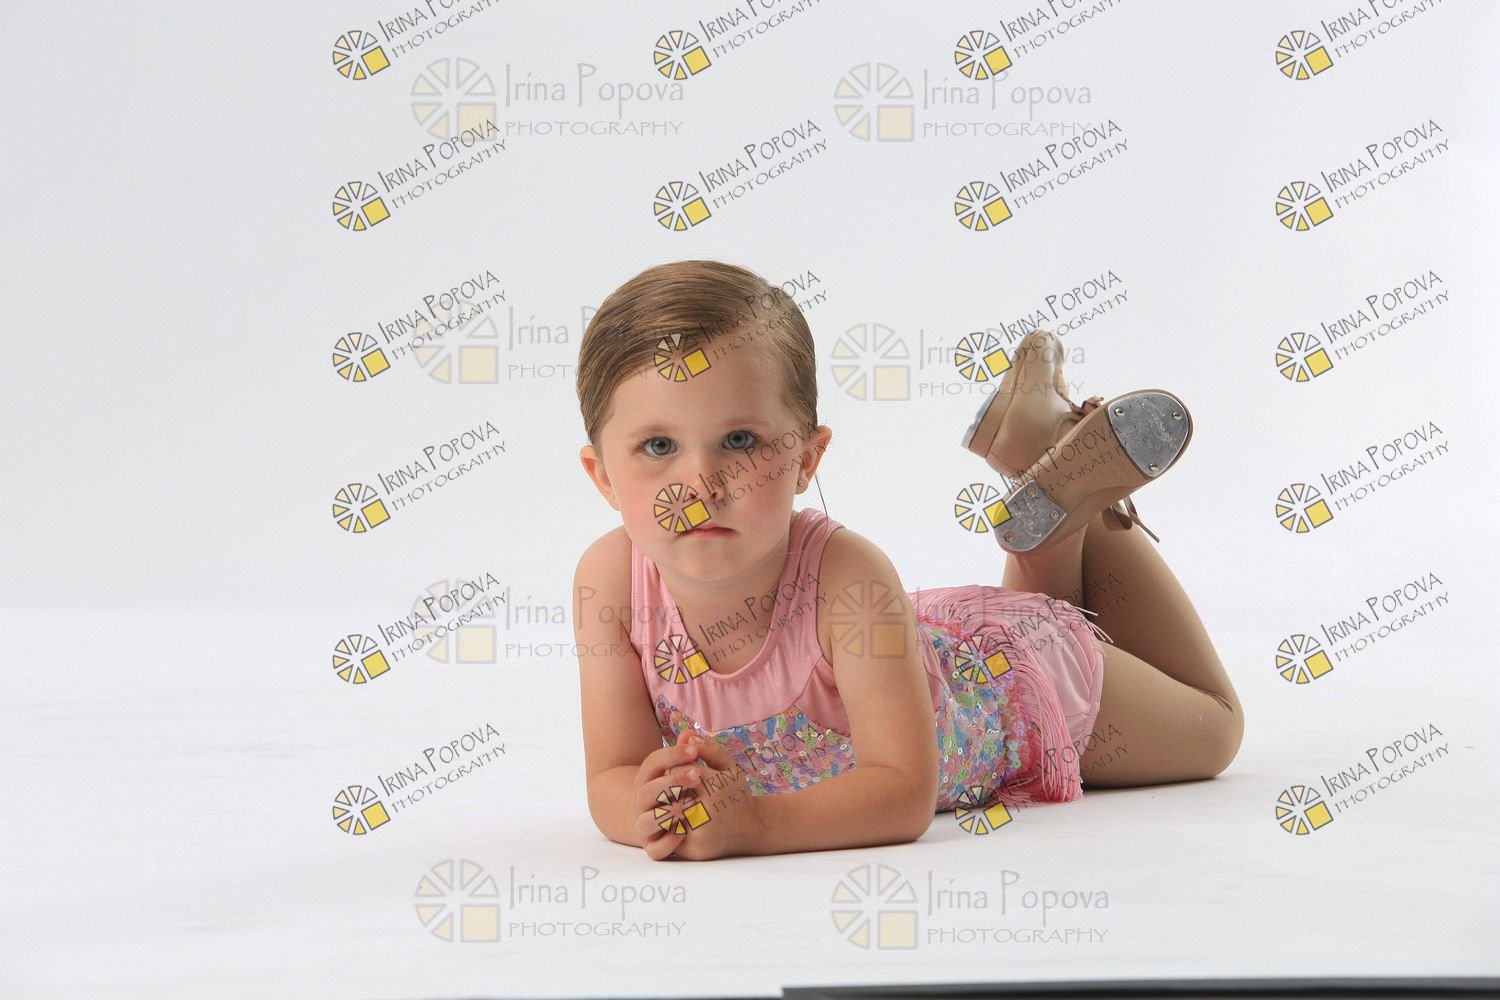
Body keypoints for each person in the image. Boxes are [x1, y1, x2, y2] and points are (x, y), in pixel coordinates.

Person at [572, 259, 1244, 861]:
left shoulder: (848, 578)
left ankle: (1082, 501)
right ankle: (1043, 467)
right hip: (935, 644)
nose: (701, 484)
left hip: (1019, 694)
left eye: (740, 440)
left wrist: (757, 825)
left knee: (1216, 728)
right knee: (1058, 606)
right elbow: (612, 773)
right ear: (602, 476)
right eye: (658, 447)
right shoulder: (609, 583)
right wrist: (649, 810)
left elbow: (902, 793)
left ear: (806, 458)